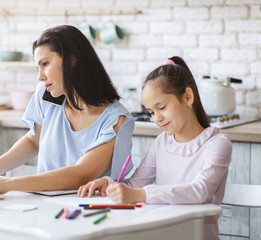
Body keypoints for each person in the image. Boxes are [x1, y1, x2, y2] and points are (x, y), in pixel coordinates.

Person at [0, 25, 134, 195]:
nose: (40, 76)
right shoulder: (46, 95)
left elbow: (81, 174)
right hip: (45, 203)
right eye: (38, 68)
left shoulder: (116, 121)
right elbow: (35, 140)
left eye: (45, 64)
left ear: (71, 61)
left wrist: (6, 184)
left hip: (87, 210)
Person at [77, 56, 232, 240]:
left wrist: (140, 195)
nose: (156, 118)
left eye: (162, 107)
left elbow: (200, 191)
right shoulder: (161, 142)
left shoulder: (217, 143)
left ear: (188, 97)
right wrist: (109, 183)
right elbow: (135, 185)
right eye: (151, 112)